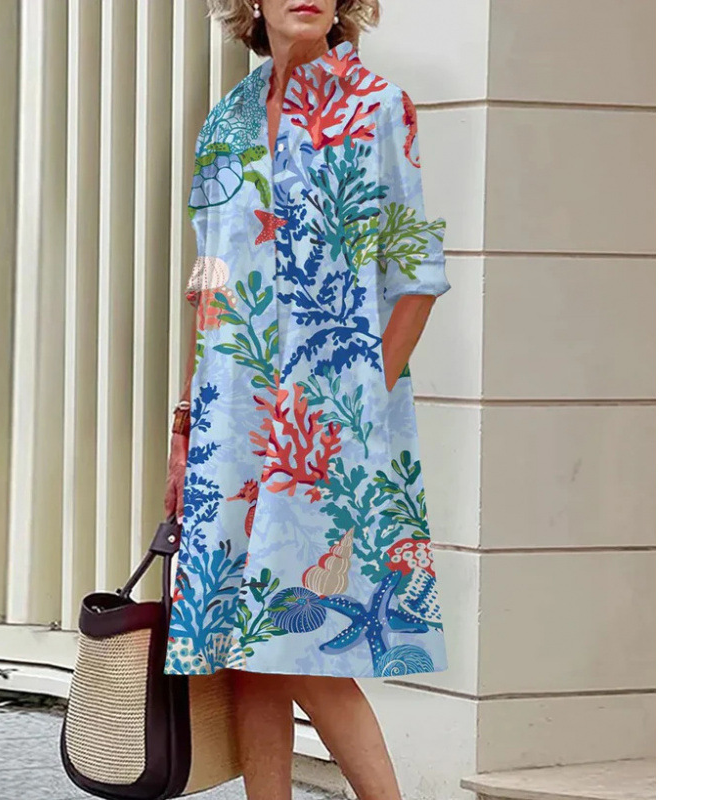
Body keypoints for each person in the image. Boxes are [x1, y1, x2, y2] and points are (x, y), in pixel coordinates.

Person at [163, 2, 451, 798]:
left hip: (330, 426)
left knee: (304, 640)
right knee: (248, 651)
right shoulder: (227, 121)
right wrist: (187, 425)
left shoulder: (377, 107)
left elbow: (417, 276)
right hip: (230, 417)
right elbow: (212, 284)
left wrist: (360, 399)